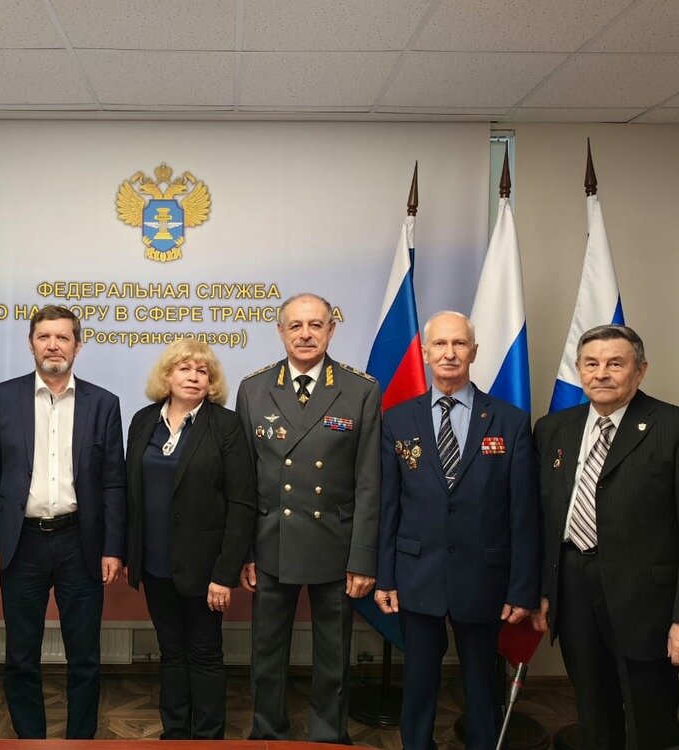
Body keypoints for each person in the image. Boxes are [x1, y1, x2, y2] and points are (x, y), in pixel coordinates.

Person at [532, 324, 679, 749]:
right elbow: (544, 517)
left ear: (640, 370)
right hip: (573, 591)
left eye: (615, 363)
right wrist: (543, 589)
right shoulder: (552, 428)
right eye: (591, 364)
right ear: (578, 370)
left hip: (646, 602)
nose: (601, 373)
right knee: (593, 714)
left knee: (651, 721)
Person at [374, 311, 538, 750]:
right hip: (417, 574)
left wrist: (522, 588)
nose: (449, 353)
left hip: (484, 577)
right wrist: (385, 576)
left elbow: (524, 514)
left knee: (482, 685)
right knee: (418, 683)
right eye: (440, 344)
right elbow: (388, 506)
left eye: (459, 343)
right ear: (425, 353)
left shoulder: (510, 421)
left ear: (474, 352)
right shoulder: (397, 420)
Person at [0, 304, 127, 739]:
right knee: (21, 656)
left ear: (78, 345)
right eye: (44, 337)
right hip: (21, 543)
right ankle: (30, 741)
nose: (53, 345)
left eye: (63, 337)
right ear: (31, 344)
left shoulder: (103, 403)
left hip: (81, 542)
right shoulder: (2, 397)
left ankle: (80, 741)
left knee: (85, 657)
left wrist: (113, 547)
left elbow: (114, 483)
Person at [235, 292, 380, 744]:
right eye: (295, 325)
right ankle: (267, 732)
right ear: (280, 332)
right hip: (271, 540)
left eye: (316, 324)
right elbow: (243, 480)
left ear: (331, 330)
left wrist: (363, 557)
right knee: (267, 650)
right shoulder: (254, 388)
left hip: (334, 543)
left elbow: (369, 482)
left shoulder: (360, 390)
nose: (305, 334)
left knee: (334, 654)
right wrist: (245, 551)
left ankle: (327, 735)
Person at [124, 338, 256, 739]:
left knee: (204, 653)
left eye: (203, 371)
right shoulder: (143, 420)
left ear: (211, 382)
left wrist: (225, 574)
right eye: (184, 368)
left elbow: (242, 503)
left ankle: (209, 738)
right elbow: (130, 492)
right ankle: (176, 734)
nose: (194, 377)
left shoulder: (225, 424)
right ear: (167, 376)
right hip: (154, 564)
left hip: (205, 570)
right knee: (171, 652)